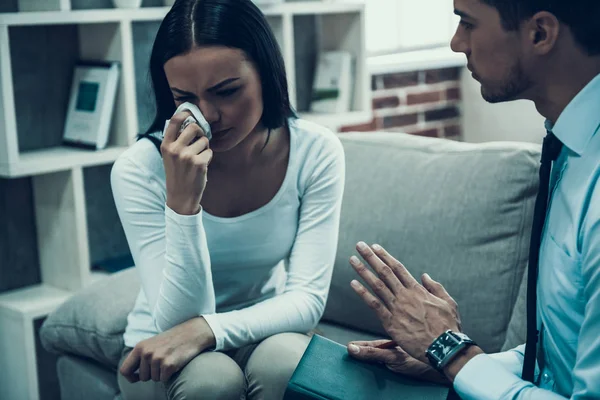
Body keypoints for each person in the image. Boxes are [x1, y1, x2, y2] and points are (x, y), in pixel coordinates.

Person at [345, 0, 600, 398]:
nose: (455, 42)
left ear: (540, 34)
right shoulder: (571, 148)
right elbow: (555, 364)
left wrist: (451, 352)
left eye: (467, 22)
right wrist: (452, 363)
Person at [110, 0, 345, 399]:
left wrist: (211, 329)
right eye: (185, 97)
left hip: (264, 330)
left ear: (266, 74)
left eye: (226, 91)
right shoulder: (139, 168)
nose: (207, 115)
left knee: (287, 365)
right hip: (163, 347)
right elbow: (177, 323)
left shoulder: (315, 152)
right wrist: (183, 204)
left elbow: (306, 299)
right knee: (211, 381)